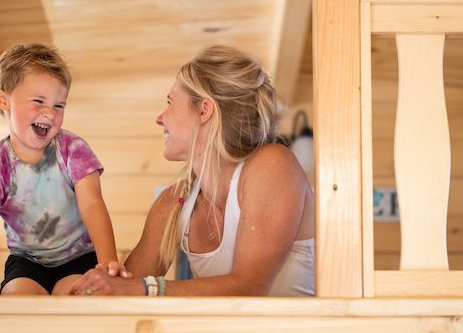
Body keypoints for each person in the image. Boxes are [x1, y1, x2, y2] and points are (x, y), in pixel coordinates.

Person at [70, 45, 314, 297]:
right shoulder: (173, 202)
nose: (159, 118)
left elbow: (248, 287)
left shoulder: (272, 165)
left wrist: (144, 288)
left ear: (204, 110)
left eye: (170, 102)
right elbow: (122, 291)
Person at [0, 44, 118, 295]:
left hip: (78, 257)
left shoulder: (72, 150)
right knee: (17, 298)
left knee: (76, 296)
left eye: (59, 105)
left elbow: (92, 203)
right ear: (4, 100)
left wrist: (108, 264)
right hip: (26, 262)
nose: (49, 112)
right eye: (38, 101)